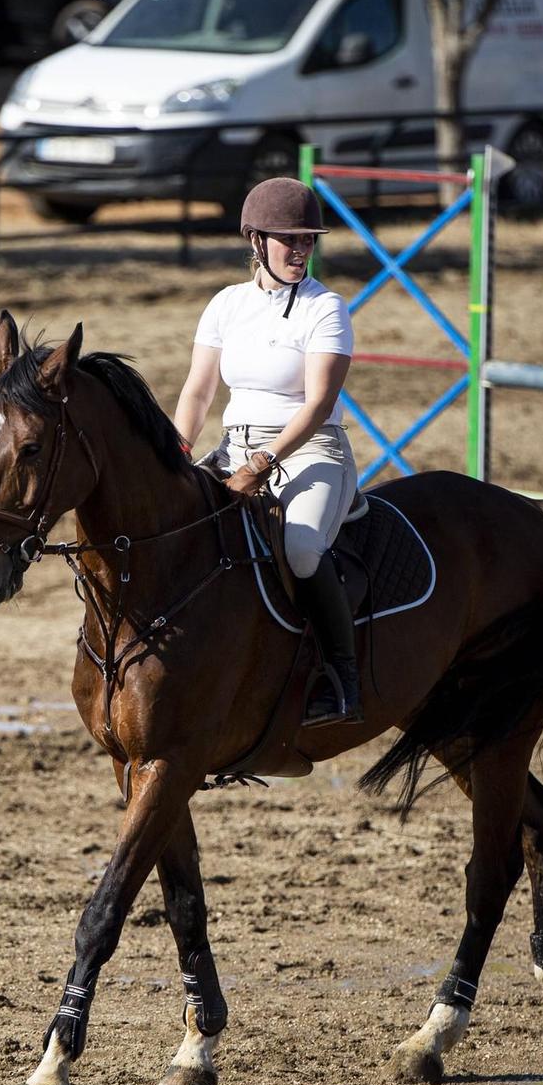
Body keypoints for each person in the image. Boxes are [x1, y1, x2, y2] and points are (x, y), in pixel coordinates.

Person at [172, 177, 360, 727]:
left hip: (310, 449)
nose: (301, 250)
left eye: (309, 240)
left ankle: (343, 678)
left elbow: (320, 402)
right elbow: (198, 391)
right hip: (233, 447)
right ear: (255, 241)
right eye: (289, 240)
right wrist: (179, 452)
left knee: (301, 549)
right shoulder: (227, 305)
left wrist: (263, 463)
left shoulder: (326, 309)